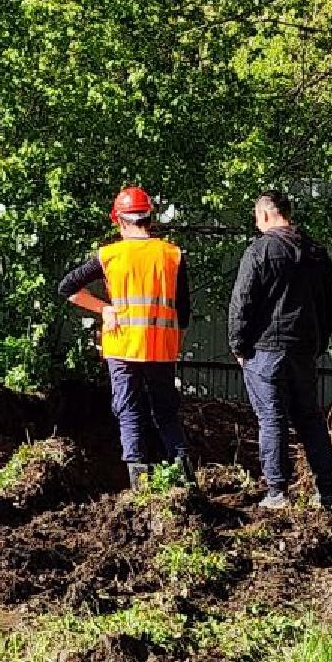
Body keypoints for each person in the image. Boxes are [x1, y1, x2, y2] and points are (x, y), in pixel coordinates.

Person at [58, 186, 194, 490]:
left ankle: (140, 486)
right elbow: (183, 311)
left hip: (121, 348)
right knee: (166, 412)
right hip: (161, 349)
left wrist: (103, 309)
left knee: (129, 411)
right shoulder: (172, 254)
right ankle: (185, 482)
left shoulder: (109, 255)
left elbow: (67, 287)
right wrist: (176, 344)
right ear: (150, 218)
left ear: (118, 219)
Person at [228, 190, 332, 510]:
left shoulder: (259, 251)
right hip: (303, 348)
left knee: (272, 418)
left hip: (265, 349)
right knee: (310, 417)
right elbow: (330, 305)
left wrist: (238, 345)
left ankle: (277, 492)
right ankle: (326, 491)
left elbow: (242, 302)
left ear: (264, 215)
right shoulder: (316, 253)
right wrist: (319, 341)